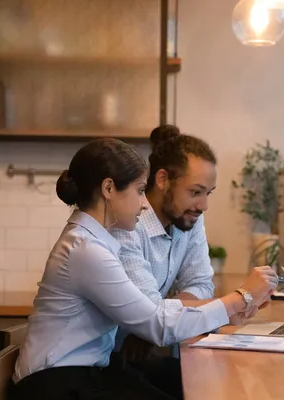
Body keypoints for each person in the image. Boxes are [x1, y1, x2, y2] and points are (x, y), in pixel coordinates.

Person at [12, 138, 278, 400]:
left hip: (84, 373)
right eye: (139, 190)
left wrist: (228, 310)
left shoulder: (93, 240)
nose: (143, 203)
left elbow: (155, 315)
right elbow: (158, 324)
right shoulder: (86, 250)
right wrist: (239, 298)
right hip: (54, 385)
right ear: (109, 188)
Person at [111, 126, 268, 395]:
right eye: (196, 192)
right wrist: (241, 297)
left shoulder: (189, 218)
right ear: (162, 179)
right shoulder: (127, 226)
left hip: (146, 353)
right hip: (110, 362)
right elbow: (153, 318)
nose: (203, 205)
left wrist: (155, 322)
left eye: (208, 193)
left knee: (221, 382)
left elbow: (200, 283)